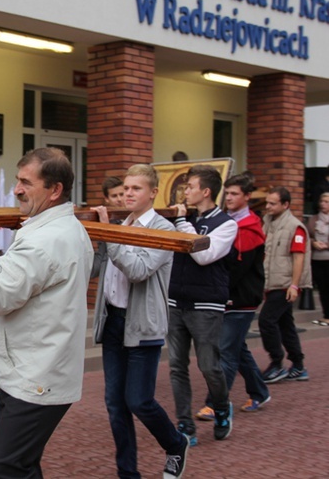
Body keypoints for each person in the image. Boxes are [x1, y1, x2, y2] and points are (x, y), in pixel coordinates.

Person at [0, 147, 92, 478]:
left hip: (37, 376)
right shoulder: (65, 228)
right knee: (23, 464)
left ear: (55, 190)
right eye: (17, 180)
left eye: (26, 182)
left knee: (5, 465)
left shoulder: (43, 240)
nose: (18, 189)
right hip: (30, 370)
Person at [91, 164, 189, 479]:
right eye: (126, 188)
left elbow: (137, 270)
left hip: (143, 324)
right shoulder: (120, 224)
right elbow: (97, 270)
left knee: (139, 401)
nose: (128, 194)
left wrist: (110, 234)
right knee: (115, 404)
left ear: (152, 193)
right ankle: (127, 473)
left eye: (135, 189)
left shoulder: (164, 229)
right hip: (113, 322)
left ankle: (176, 443)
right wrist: (92, 240)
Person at [167, 165, 237, 444]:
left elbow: (203, 254)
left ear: (206, 192)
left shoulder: (226, 224)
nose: (185, 191)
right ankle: (185, 424)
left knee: (209, 367)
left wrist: (182, 224)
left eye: (190, 187)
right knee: (176, 366)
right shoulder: (182, 218)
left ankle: (221, 408)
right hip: (175, 300)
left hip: (206, 305)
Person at [195, 173, 270, 422]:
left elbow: (236, 269)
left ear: (247, 197)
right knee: (238, 348)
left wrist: (219, 292)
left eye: (235, 194)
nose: (229, 198)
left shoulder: (249, 227)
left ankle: (215, 404)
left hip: (241, 298)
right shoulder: (226, 221)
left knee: (225, 351)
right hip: (227, 295)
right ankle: (260, 392)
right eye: (227, 193)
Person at [259, 186, 312, 383]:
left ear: (285, 204)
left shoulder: (294, 226)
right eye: (267, 203)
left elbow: (298, 258)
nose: (268, 207)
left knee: (266, 320)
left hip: (284, 284)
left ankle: (277, 363)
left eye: (272, 203)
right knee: (285, 324)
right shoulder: (268, 222)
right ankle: (298, 365)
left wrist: (294, 285)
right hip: (271, 282)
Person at [308, 192, 329, 326]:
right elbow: (306, 235)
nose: (323, 204)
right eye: (322, 201)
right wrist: (313, 243)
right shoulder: (313, 219)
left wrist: (327, 245)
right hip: (317, 258)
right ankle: (326, 315)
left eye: (327, 202)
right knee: (322, 287)